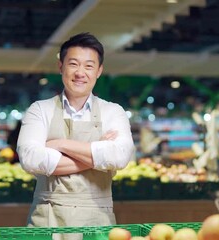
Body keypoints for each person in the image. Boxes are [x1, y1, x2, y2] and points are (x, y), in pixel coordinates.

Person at [17, 32, 135, 231]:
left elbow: (121, 156)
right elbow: (30, 158)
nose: (81, 73)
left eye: (89, 66)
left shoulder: (113, 111)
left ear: (99, 71)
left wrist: (60, 144)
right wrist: (97, 157)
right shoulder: (39, 109)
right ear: (61, 66)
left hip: (98, 221)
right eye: (73, 64)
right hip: (47, 219)